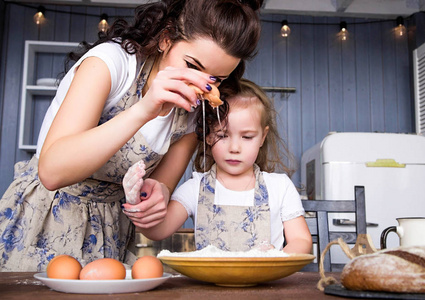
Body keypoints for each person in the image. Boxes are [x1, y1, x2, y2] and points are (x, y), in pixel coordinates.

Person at [0, 0, 264, 271]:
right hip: (42, 221)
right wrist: (144, 109)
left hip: (111, 233)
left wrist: (155, 197)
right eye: (192, 65)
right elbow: (52, 171)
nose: (199, 85)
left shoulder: (193, 112)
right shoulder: (111, 64)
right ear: (166, 38)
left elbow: (160, 188)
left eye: (216, 79)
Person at [123, 79, 313, 254]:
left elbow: (301, 240)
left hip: (267, 288)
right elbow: (158, 230)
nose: (234, 148)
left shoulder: (280, 187)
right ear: (207, 135)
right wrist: (137, 203)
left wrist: (275, 259)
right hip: (209, 289)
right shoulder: (196, 187)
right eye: (222, 135)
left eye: (247, 137)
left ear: (263, 137)